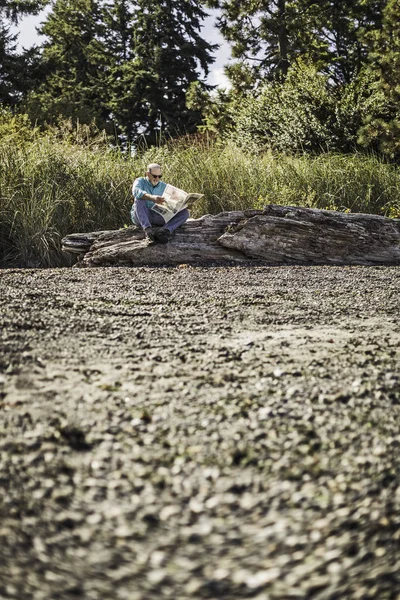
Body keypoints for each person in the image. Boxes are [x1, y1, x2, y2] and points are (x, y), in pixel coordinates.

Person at [131, 163, 189, 244]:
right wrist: (151, 198)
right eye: (155, 176)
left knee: (185, 213)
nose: (157, 179)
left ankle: (164, 231)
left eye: (159, 176)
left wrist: (184, 204)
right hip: (142, 216)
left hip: (158, 215)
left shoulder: (164, 186)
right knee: (139, 199)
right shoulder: (140, 181)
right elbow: (136, 192)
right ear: (148, 174)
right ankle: (148, 231)